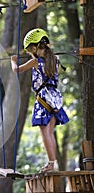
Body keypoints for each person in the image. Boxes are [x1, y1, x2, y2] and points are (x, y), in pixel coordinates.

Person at [10, 28, 69, 173]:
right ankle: (52, 163)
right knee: (50, 132)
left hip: (43, 98)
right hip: (54, 98)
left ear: (35, 47)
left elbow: (16, 70)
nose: (31, 53)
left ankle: (51, 163)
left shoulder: (35, 61)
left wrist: (12, 61)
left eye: (30, 50)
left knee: (45, 133)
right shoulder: (54, 60)